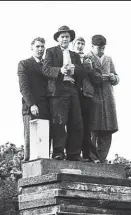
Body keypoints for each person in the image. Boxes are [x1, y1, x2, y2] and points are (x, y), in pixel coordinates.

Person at [43, 25, 86, 161]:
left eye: (67, 37)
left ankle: (73, 153)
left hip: (72, 90)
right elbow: (46, 69)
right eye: (62, 37)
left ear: (70, 39)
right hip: (58, 91)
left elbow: (83, 72)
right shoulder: (51, 52)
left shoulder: (74, 55)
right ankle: (58, 152)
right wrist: (60, 70)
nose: (65, 39)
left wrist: (75, 70)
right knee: (59, 122)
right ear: (58, 39)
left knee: (76, 122)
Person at [84, 35, 119, 163]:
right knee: (93, 128)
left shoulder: (108, 59)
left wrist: (114, 78)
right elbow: (92, 76)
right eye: (99, 48)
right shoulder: (87, 58)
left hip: (108, 97)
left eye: (103, 48)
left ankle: (102, 157)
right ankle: (93, 157)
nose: (101, 51)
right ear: (92, 47)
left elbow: (116, 76)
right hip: (94, 96)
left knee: (107, 129)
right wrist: (105, 77)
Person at [17, 37, 50, 162]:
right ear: (32, 48)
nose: (40, 49)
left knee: (44, 141)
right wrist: (32, 104)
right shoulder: (24, 64)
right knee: (31, 140)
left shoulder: (46, 66)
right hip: (31, 107)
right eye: (37, 46)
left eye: (42, 47)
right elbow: (24, 87)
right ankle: (28, 168)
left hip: (46, 107)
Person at [73, 36, 102, 161]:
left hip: (86, 95)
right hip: (73, 94)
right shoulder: (70, 57)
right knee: (75, 125)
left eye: (82, 43)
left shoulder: (89, 59)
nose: (80, 46)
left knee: (87, 126)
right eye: (78, 43)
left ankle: (88, 154)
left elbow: (98, 78)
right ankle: (74, 153)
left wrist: (90, 69)